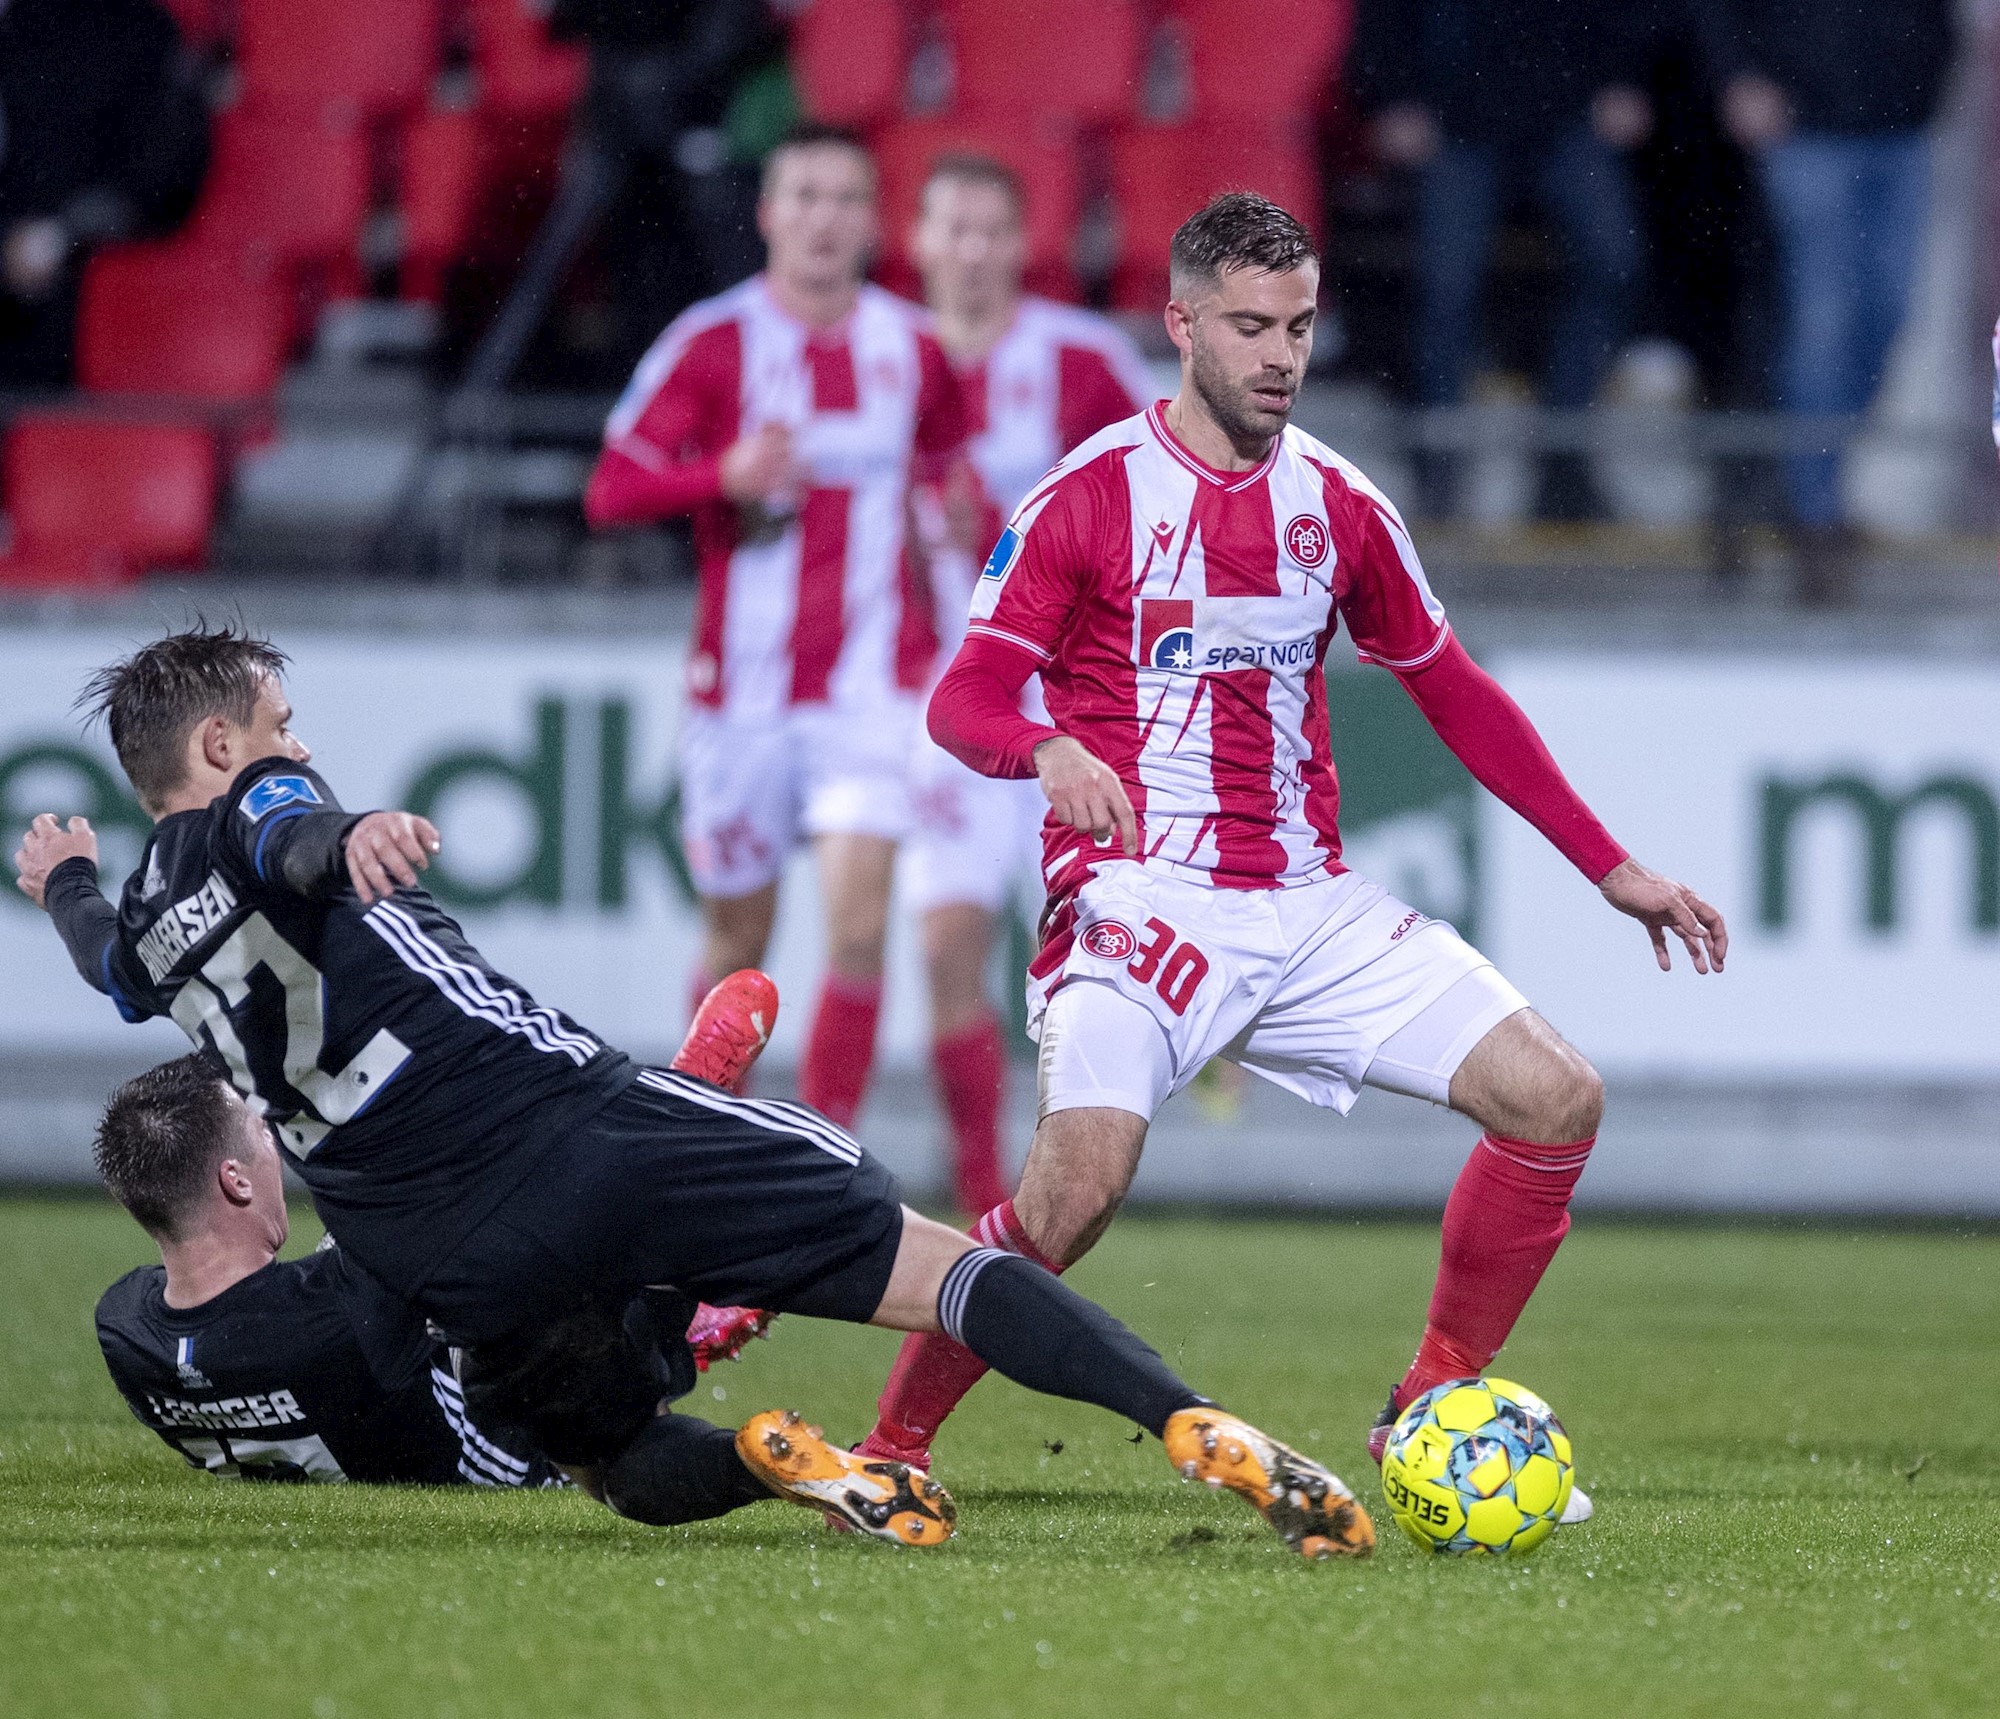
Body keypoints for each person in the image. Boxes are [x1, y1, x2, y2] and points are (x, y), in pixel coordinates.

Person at [13, 622, 1374, 1559]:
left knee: (608, 1458)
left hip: (427, 1244)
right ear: (217, 743)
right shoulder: (264, 805)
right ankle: (1189, 1418)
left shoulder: (147, 918)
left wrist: (67, 875)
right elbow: (284, 832)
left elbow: (110, 971)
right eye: (278, 726)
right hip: (562, 1125)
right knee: (935, 1262)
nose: (296, 744)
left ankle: (764, 1453)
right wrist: (346, 828)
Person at [855, 195, 1729, 1524]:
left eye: (1300, 328)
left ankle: (1424, 1405)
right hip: (1137, 899)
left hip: (1307, 903)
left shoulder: (1339, 503)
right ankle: (891, 1443)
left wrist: (1607, 865)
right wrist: (1043, 747)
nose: (1279, 357)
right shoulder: (1088, 496)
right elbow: (962, 697)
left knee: (1555, 1098)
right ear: (1181, 323)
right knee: (1071, 1193)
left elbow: (1453, 689)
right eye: (1250, 327)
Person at [583, 122, 968, 1132]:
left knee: (859, 930)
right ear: (767, 215)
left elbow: (946, 470)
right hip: (741, 697)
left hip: (870, 690)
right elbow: (610, 489)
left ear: (873, 222)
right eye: (804, 196)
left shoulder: (914, 350)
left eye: (844, 199)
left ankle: (823, 1158)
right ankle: (701, 1143)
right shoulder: (713, 341)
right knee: (736, 946)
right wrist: (720, 475)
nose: (823, 220)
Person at [92, 977, 777, 1488]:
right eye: (262, 1133)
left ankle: (662, 1302)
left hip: (378, 1401)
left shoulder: (125, 1331)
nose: (278, 1143)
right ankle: (667, 1242)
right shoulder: (336, 1312)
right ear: (235, 1181)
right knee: (510, 1229)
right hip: (525, 1453)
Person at [905, 153, 1154, 1214]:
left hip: (1075, 708)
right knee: (947, 944)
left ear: (1021, 243)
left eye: (990, 230)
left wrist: (1016, 528)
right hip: (953, 704)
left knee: (1103, 957)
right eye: (952, 228)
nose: (971, 251)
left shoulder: (1083, 361)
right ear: (919, 242)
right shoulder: (886, 359)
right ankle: (983, 1199)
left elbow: (1163, 496)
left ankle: (1083, 1166)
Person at [1348, 0, 1656, 520]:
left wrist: (1625, 79)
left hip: (1568, 107)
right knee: (1446, 290)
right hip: (1457, 117)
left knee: (1615, 264)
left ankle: (1564, 455)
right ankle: (1441, 465)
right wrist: (1393, 97)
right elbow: (1385, 17)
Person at [1692, 0, 1956, 605]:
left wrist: (1933, 75)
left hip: (1902, 126)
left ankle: (1807, 476)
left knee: (1886, 320)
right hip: (1810, 127)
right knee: (1822, 327)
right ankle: (1816, 516)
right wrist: (1738, 76)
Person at [0, 0, 209, 388]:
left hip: (70, 283)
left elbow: (162, 178)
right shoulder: (18, 24)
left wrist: (59, 235)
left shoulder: (143, 30)